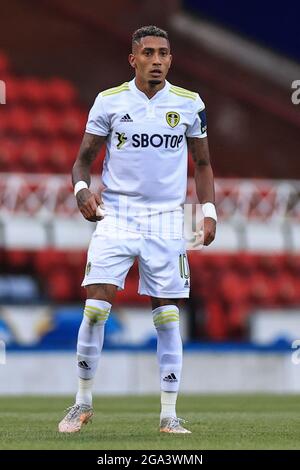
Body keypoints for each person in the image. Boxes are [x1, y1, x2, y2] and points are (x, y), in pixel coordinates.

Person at [58, 25, 217, 434]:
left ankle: (168, 415)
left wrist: (210, 211)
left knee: (167, 318)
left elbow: (202, 164)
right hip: (117, 214)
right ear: (133, 60)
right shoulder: (109, 102)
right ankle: (81, 403)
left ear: (171, 59)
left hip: (167, 219)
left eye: (164, 53)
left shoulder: (189, 103)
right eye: (148, 53)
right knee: (95, 309)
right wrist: (81, 191)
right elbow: (82, 162)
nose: (157, 60)